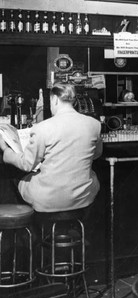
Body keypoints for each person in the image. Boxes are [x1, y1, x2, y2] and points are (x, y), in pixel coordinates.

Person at [0, 82, 102, 212]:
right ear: (74, 101)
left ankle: (31, 228)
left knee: (15, 178)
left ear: (54, 100)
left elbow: (27, 164)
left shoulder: (42, 128)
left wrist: (5, 150)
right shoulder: (94, 124)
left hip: (48, 199)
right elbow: (96, 154)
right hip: (83, 196)